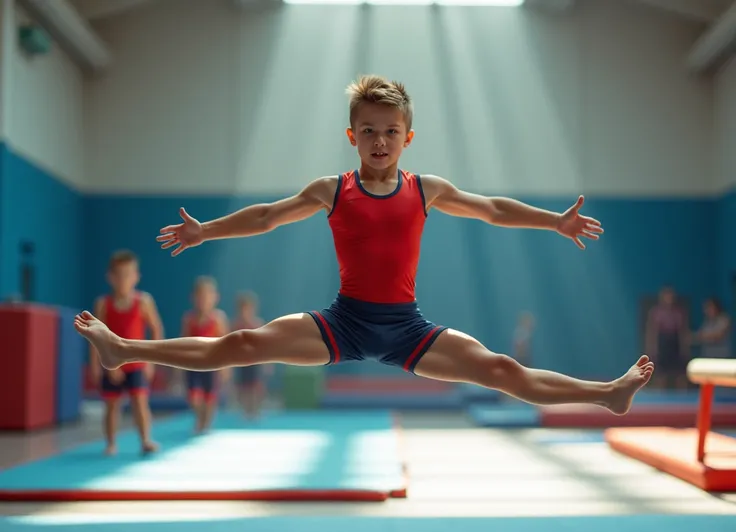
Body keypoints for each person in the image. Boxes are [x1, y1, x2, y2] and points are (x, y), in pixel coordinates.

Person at [74, 75, 654, 416]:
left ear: (408, 137)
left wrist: (555, 222)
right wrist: (207, 230)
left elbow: (493, 209)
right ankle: (124, 350)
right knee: (243, 342)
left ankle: (607, 393)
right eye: (369, 131)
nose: (380, 141)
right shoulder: (333, 190)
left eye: (391, 131)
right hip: (344, 321)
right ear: (352, 136)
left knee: (502, 368)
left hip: (407, 327)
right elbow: (268, 217)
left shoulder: (427, 190)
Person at [89, 250, 163, 455]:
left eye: (128, 275)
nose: (123, 280)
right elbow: (95, 336)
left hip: (137, 362)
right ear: (110, 278)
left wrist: (152, 361)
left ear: (136, 277)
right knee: (112, 405)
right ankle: (111, 443)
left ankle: (146, 439)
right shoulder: (103, 304)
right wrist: (97, 364)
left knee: (140, 401)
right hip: (112, 362)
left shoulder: (144, 301)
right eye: (119, 275)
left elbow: (156, 328)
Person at [180, 276, 230, 433]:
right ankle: (200, 419)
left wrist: (226, 367)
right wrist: (178, 366)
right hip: (193, 364)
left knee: (209, 397)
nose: (203, 301)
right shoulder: (189, 319)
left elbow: (227, 343)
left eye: (207, 297)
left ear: (215, 298)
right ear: (193, 298)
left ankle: (206, 423)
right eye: (200, 297)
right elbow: (182, 343)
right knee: (194, 397)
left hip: (212, 364)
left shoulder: (218, 318)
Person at [231, 291, 269, 419]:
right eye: (242, 309)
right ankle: (246, 410)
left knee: (255, 386)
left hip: (255, 361)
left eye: (247, 309)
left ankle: (255, 409)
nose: (244, 312)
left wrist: (267, 362)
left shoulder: (258, 324)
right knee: (243, 387)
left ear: (253, 309)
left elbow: (265, 345)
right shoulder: (236, 325)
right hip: (241, 361)